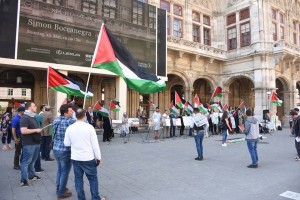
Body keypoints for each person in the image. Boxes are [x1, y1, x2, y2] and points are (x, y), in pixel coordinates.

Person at [64, 109, 105, 200]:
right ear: (85, 116)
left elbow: (66, 143)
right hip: (88, 157)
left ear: (75, 116)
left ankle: (81, 198)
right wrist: (98, 157)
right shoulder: (89, 127)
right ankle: (95, 198)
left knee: (78, 179)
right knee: (92, 178)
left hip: (75, 157)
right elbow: (95, 145)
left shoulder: (70, 128)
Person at [52, 104, 76, 199]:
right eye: (71, 111)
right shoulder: (70, 121)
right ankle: (61, 193)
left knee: (60, 170)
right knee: (65, 171)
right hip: (65, 150)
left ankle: (59, 188)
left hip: (56, 148)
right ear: (65, 113)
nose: (72, 112)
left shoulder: (56, 120)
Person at [20, 102, 42, 187]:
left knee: (32, 161)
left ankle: (31, 175)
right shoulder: (25, 117)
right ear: (29, 107)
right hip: (29, 144)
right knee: (26, 162)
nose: (36, 107)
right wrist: (36, 130)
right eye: (34, 106)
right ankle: (23, 180)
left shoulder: (33, 116)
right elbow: (23, 131)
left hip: (36, 142)